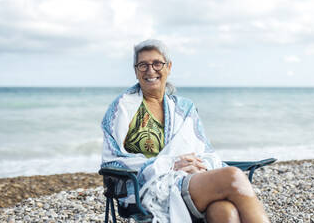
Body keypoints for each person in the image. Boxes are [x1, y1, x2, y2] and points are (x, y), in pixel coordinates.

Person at [101, 39, 270, 223]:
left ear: (169, 67)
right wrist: (170, 164)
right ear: (136, 71)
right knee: (233, 176)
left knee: (224, 211)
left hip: (190, 180)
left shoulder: (184, 108)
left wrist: (198, 164)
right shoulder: (123, 108)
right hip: (146, 188)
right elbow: (114, 161)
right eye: (143, 65)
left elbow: (206, 151)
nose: (150, 70)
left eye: (157, 63)